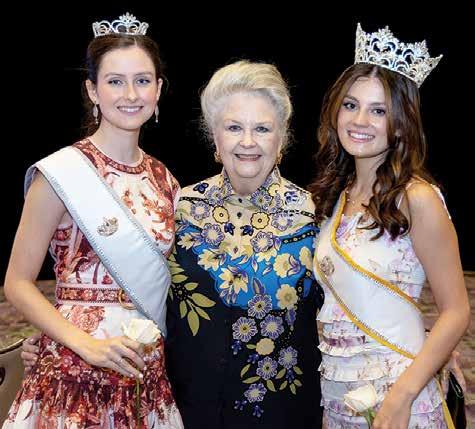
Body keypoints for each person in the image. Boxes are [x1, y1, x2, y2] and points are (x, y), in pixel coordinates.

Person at [3, 13, 183, 428]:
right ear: (92, 90)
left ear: (158, 89)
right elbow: (17, 282)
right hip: (73, 371)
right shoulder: (60, 174)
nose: (130, 94)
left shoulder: (166, 181)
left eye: (142, 80)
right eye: (115, 81)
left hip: (143, 372)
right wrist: (85, 344)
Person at [310, 24, 470, 428]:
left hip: (401, 397)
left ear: (400, 122)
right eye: (351, 105)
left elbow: (456, 311)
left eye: (378, 110)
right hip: (339, 391)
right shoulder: (335, 196)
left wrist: (401, 397)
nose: (360, 120)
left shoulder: (417, 198)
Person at [164, 60, 323, 428]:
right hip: (191, 411)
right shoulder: (178, 207)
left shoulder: (314, 216)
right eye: (234, 127)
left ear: (282, 139)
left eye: (262, 129)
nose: (247, 141)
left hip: (284, 413)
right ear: (214, 136)